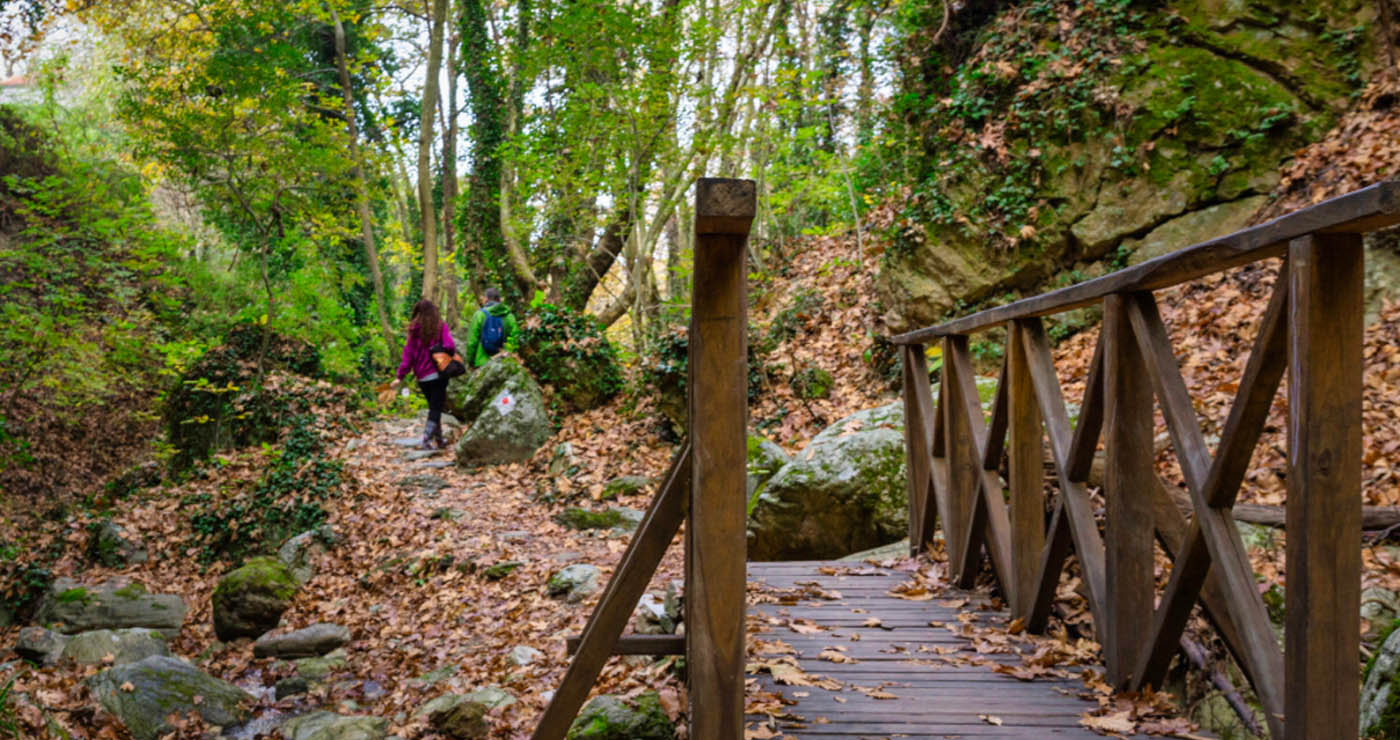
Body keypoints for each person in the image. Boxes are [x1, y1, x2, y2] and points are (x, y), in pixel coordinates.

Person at [392, 299, 455, 449]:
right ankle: (426, 439)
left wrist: (399, 376)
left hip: (422, 377)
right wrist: (442, 352)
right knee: (435, 408)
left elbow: (408, 357)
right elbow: (450, 346)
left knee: (435, 406)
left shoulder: (413, 330)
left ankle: (439, 440)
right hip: (438, 374)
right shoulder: (440, 326)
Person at [464, 287, 520, 368]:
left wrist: (470, 362)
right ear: (500, 300)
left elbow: (472, 342)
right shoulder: (509, 316)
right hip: (504, 361)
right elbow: (515, 337)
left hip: (482, 362)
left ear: (486, 299)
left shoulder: (479, 315)